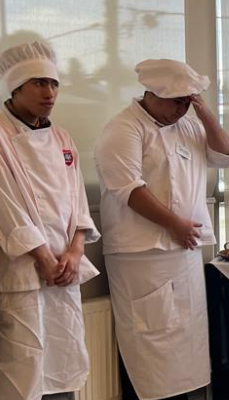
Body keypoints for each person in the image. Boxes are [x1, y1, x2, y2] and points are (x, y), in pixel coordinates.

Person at [95, 59, 229, 400]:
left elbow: (226, 154)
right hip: (142, 257)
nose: (182, 108)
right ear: (152, 94)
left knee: (188, 343)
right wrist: (173, 224)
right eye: (177, 101)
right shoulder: (123, 129)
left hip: (183, 252)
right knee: (152, 345)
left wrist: (202, 112)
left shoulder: (188, 124)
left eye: (188, 101)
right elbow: (129, 189)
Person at [0, 41, 100, 400]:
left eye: (54, 83)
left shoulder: (62, 138)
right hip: (23, 272)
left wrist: (74, 252)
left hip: (64, 272)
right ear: (16, 87)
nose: (49, 92)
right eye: (39, 83)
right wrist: (43, 257)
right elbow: (5, 208)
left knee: (65, 360)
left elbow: (78, 202)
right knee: (23, 366)